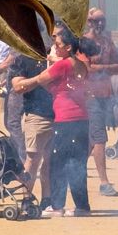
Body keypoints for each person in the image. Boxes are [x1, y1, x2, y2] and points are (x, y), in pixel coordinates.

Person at [40, 28, 91, 217]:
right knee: (78, 163)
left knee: (58, 163)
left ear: (68, 47)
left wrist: (23, 83)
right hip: (81, 119)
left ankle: (57, 206)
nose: (54, 47)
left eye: (58, 44)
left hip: (65, 120)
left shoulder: (62, 65)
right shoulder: (81, 65)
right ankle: (82, 206)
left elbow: (41, 79)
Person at [4, 44, 55, 207]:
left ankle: (47, 199)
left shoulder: (57, 57)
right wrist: (40, 79)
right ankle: (27, 198)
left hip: (59, 115)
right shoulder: (23, 59)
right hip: (36, 115)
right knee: (32, 159)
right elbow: (18, 86)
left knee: (50, 160)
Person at [82, 10, 118, 198]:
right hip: (88, 96)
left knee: (91, 139)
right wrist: (103, 69)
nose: (100, 24)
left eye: (102, 20)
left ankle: (73, 173)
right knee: (99, 138)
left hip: (105, 95)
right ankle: (104, 182)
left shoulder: (107, 42)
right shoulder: (84, 42)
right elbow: (86, 69)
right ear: (89, 22)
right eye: (96, 21)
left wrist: (102, 68)